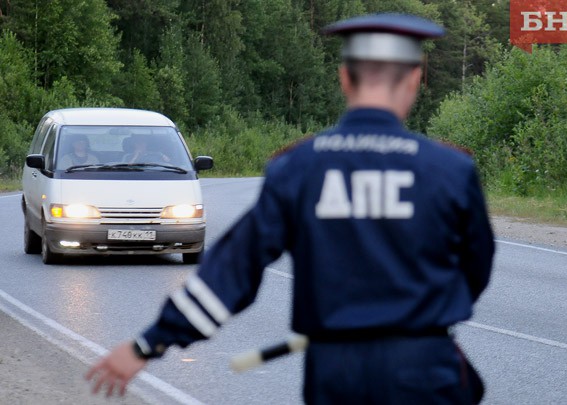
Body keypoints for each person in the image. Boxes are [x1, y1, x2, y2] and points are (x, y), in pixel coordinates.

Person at [86, 13, 495, 404]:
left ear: (344, 79)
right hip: (425, 369)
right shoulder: (450, 170)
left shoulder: (298, 167)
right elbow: (476, 269)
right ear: (415, 79)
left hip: (336, 373)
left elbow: (232, 272)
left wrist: (150, 343)